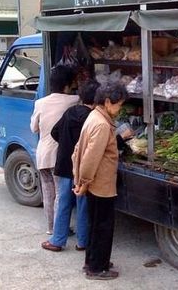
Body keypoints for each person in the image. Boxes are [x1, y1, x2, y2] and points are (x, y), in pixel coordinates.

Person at [72, 82, 129, 280]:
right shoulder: (102, 125)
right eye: (119, 104)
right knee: (103, 226)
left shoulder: (94, 116)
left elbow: (78, 151)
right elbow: (90, 158)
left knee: (95, 224)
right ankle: (97, 268)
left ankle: (94, 261)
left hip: (94, 183)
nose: (119, 109)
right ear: (107, 102)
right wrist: (84, 182)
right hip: (100, 184)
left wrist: (80, 180)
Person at [41, 80, 100, 252]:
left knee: (64, 203)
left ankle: (57, 241)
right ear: (97, 100)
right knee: (83, 205)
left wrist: (66, 145)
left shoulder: (70, 112)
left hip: (65, 165)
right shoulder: (92, 118)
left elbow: (54, 132)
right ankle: (82, 242)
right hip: (80, 167)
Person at [30, 65, 79, 235]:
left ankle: (51, 228)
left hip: (42, 155)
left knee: (48, 194)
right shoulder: (73, 100)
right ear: (68, 84)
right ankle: (61, 230)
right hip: (59, 156)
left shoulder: (40, 103)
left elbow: (33, 128)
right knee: (60, 195)